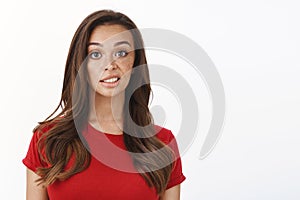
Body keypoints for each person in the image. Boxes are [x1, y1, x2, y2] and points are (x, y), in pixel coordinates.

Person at [23, 9, 186, 200]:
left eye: (121, 52)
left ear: (135, 63)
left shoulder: (162, 143)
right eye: (95, 54)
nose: (110, 64)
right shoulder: (46, 140)